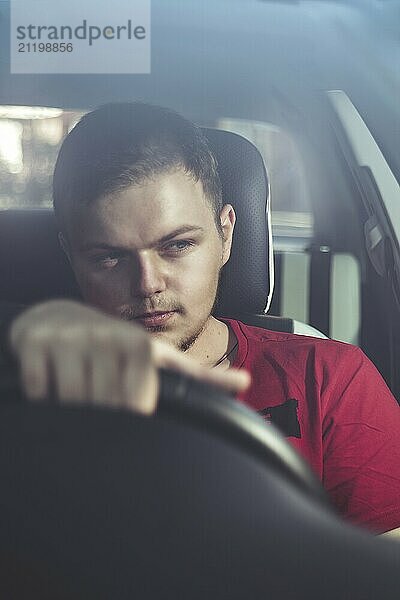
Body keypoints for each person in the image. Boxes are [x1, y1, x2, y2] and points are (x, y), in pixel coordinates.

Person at [2, 102, 400, 537]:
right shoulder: (23, 395)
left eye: (177, 245)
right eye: (109, 257)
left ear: (225, 234)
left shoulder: (327, 380)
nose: (148, 285)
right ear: (71, 257)